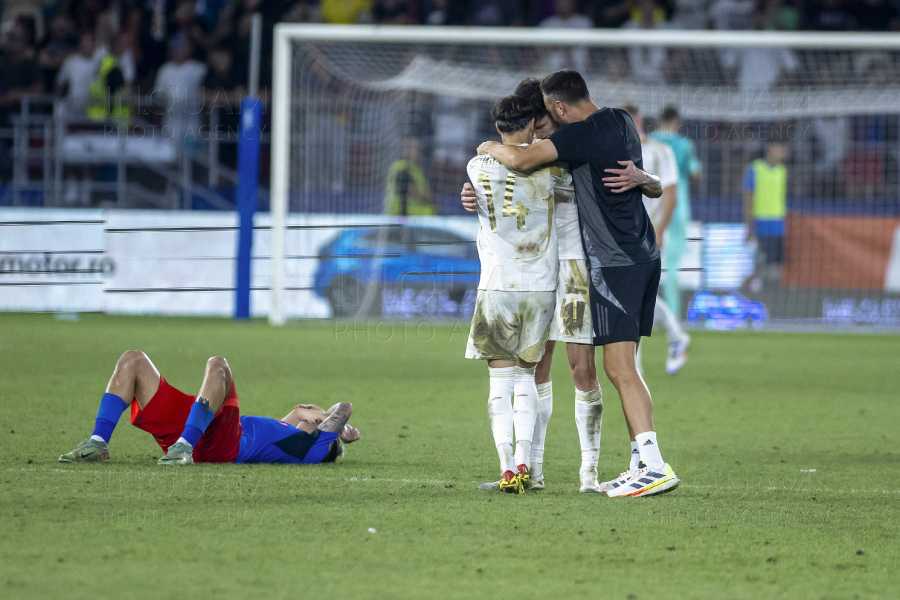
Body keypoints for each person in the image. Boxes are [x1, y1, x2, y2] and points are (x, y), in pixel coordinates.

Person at [477, 70, 679, 498]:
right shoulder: (621, 120)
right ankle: (638, 462)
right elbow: (651, 183)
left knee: (617, 368)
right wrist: (648, 180)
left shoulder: (577, 137)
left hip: (615, 262)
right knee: (619, 367)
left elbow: (519, 159)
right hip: (638, 252)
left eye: (548, 115)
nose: (544, 125)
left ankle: (655, 464)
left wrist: (489, 147)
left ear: (560, 108)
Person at [464, 95, 567, 494]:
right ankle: (526, 464)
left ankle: (507, 468)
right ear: (532, 125)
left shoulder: (476, 165)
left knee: (499, 383)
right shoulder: (552, 165)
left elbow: (483, 186)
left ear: (497, 128)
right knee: (527, 376)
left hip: (497, 284)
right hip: (541, 285)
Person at [59, 351, 359, 466]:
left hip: (218, 444)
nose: (303, 407)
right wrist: (305, 414)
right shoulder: (283, 435)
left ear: (321, 427)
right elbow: (296, 415)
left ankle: (184, 448)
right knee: (133, 360)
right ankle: (98, 443)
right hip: (196, 429)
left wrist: (337, 428)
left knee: (219, 365)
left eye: (311, 409)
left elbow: (343, 406)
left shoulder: (312, 447)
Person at [622, 103, 691, 379]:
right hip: (618, 237)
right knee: (637, 298)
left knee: (633, 298)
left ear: (638, 121)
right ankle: (677, 337)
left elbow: (670, 195)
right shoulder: (613, 153)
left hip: (645, 234)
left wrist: (660, 230)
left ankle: (635, 369)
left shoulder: (660, 152)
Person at [650, 105, 702, 320]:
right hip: (678, 207)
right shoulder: (685, 144)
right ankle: (671, 315)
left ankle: (647, 313)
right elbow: (695, 173)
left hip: (652, 205)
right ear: (677, 122)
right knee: (673, 266)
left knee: (647, 262)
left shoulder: (649, 141)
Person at [744, 141, 788, 287]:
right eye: (780, 146)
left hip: (778, 226)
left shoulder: (783, 171)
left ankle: (773, 300)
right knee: (760, 268)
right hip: (760, 224)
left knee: (775, 269)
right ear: (770, 147)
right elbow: (748, 199)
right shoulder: (754, 169)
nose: (784, 151)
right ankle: (742, 289)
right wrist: (749, 227)